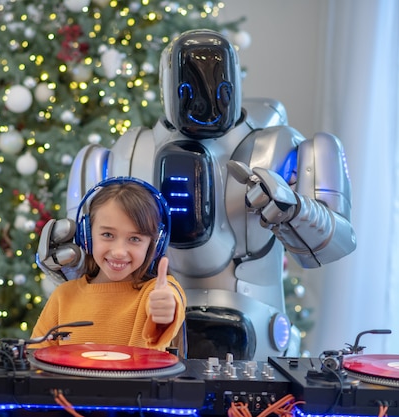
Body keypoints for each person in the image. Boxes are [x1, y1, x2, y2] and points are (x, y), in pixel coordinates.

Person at [39, 29, 356, 361]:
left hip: (256, 327)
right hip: (146, 335)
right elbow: (89, 271)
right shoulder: (122, 155)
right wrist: (67, 261)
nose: (204, 102)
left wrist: (295, 212)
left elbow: (337, 243)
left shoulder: (284, 150)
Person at [31, 177, 186, 354]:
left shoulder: (157, 291)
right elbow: (35, 362)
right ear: (86, 236)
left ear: (153, 245)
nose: (119, 251)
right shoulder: (63, 296)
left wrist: (164, 311)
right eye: (107, 235)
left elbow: (169, 304)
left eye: (134, 239)